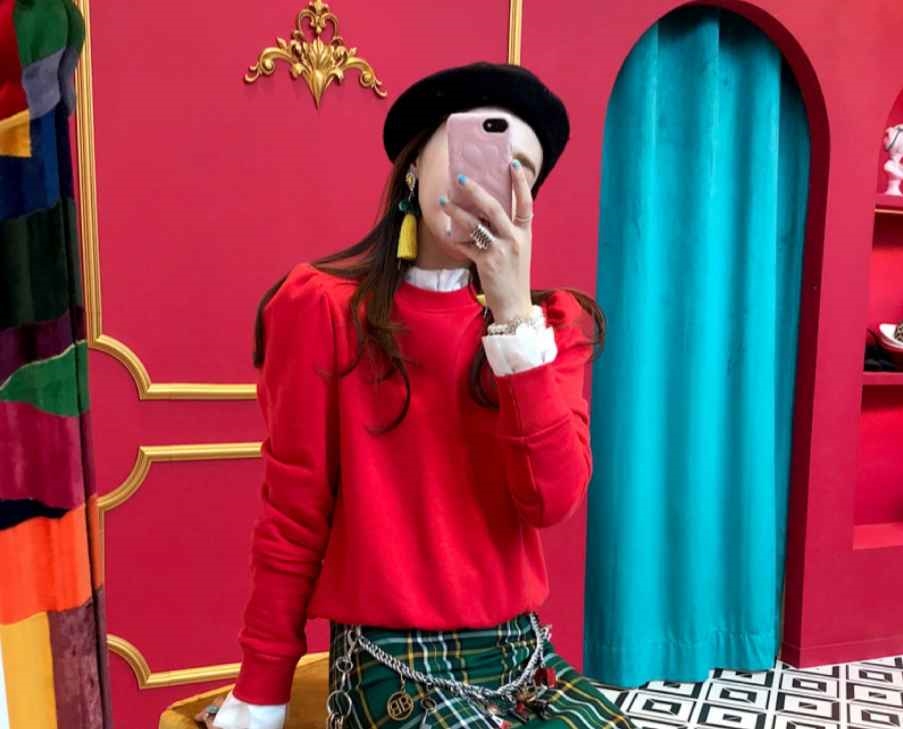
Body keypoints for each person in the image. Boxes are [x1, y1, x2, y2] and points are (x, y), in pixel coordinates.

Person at [200, 61, 636, 729]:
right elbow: (292, 515)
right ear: (414, 167)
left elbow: (549, 500)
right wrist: (259, 695)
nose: (490, 182)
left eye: (519, 169)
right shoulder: (320, 309)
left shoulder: (552, 326)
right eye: (473, 151)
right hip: (388, 658)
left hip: (523, 655)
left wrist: (512, 316)